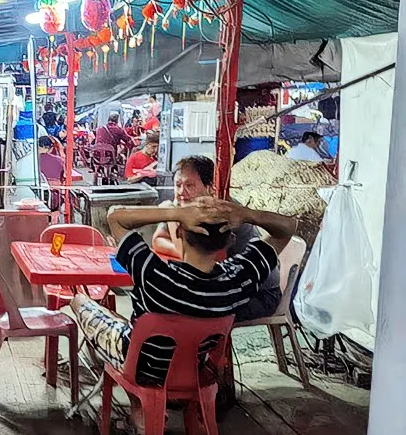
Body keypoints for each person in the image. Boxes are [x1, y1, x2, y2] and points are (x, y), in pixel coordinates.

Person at [72, 197, 297, 389]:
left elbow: (115, 217)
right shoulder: (238, 280)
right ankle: (142, 408)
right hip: (192, 371)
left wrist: (176, 212)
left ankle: (139, 409)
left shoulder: (155, 274)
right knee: (127, 322)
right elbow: (288, 228)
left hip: (139, 368)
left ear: (179, 231)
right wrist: (247, 214)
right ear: (230, 239)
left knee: (81, 301)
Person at [152, 155, 282, 321]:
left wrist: (173, 220)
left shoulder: (220, 213)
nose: (181, 192)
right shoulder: (181, 206)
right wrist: (186, 251)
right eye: (178, 185)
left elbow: (213, 260)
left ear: (210, 188)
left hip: (259, 294)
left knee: (186, 313)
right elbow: (158, 240)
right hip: (224, 285)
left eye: (190, 185)